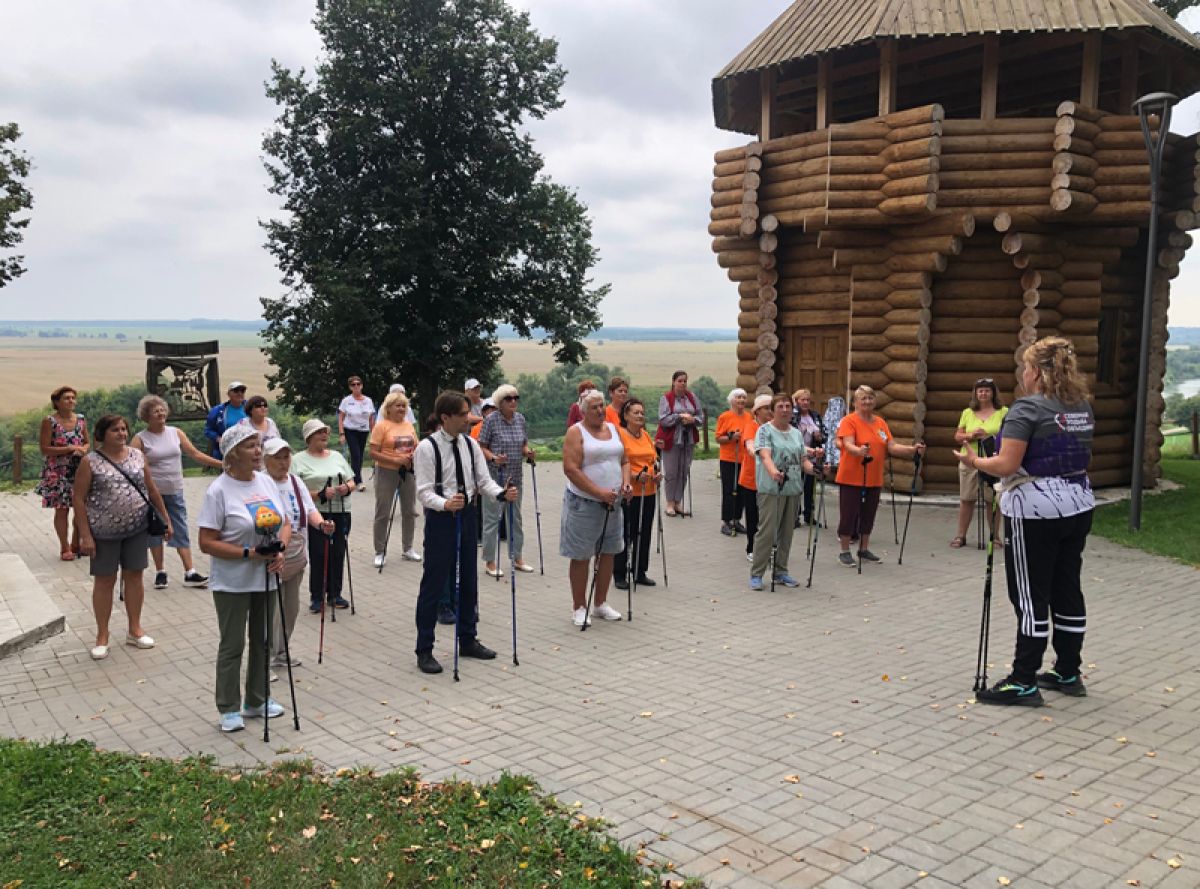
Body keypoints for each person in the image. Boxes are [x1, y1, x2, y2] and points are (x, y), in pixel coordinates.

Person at [957, 337, 1096, 706]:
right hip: (1079, 502)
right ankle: (1068, 670)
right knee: (1067, 587)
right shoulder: (1080, 406)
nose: (1023, 373)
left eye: (1025, 366)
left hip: (1035, 509)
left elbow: (1004, 465)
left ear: (1035, 371)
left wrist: (974, 462)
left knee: (1030, 592)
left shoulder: (1026, 409)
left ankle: (1023, 680)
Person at [412, 391, 517, 674]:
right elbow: (422, 491)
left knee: (469, 577)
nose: (468, 420)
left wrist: (501, 494)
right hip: (442, 518)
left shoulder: (471, 445)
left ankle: (468, 638)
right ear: (445, 417)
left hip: (468, 514)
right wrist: (445, 503)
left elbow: (483, 481)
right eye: (461, 415)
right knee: (434, 581)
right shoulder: (426, 448)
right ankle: (424, 648)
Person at [197, 425, 290, 733]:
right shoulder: (219, 490)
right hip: (232, 581)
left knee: (262, 641)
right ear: (232, 454)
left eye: (258, 445)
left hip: (266, 577)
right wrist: (249, 553)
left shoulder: (265, 481)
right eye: (251, 446)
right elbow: (206, 542)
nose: (258, 451)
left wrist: (280, 551)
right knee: (233, 644)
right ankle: (228, 707)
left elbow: (285, 521)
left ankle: (257, 699)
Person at [73, 414, 171, 660]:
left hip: (137, 528)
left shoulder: (137, 456)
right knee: (105, 581)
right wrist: (85, 535)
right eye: (115, 430)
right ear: (103, 434)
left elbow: (151, 488)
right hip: (103, 532)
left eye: (124, 429)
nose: (121, 434)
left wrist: (165, 519)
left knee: (135, 577)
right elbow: (78, 499)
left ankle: (134, 629)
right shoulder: (90, 461)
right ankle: (102, 636)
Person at [130, 394, 222, 590]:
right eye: (156, 411)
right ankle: (160, 572)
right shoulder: (140, 439)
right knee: (156, 531)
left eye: (162, 409)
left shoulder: (175, 433)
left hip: (175, 489)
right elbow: (132, 464)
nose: (161, 413)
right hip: (152, 493)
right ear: (146, 416)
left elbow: (195, 454)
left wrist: (222, 464)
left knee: (180, 527)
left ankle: (190, 572)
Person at [261, 437, 333, 672]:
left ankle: (281, 652)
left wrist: (322, 525)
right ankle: (262, 661)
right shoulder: (260, 482)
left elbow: (310, 509)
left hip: (297, 554)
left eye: (286, 457)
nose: (283, 463)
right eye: (277, 458)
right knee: (270, 610)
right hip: (271, 557)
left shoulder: (295, 481)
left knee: (290, 608)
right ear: (265, 460)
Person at [562, 389, 631, 626]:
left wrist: (626, 483)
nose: (601, 411)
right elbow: (571, 469)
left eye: (602, 405)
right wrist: (599, 493)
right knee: (582, 555)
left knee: (609, 551)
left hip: (614, 503)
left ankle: (600, 603)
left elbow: (624, 460)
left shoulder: (614, 429)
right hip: (585, 502)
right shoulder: (576, 432)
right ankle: (579, 606)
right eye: (594, 407)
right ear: (583, 410)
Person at [835, 385, 925, 568]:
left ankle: (864, 549)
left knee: (869, 513)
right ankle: (844, 551)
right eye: (863, 399)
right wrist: (859, 451)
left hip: (874, 477)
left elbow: (890, 446)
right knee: (849, 514)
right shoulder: (849, 421)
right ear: (855, 402)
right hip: (851, 476)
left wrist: (911, 450)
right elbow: (848, 444)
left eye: (870, 398)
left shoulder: (880, 423)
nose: (867, 402)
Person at [749, 394, 817, 591]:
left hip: (793, 488)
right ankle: (757, 573)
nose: (785, 409)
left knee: (786, 532)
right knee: (767, 532)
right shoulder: (764, 431)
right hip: (771, 488)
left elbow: (803, 460)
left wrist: (815, 469)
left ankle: (781, 570)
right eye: (780, 406)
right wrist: (774, 472)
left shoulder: (796, 433)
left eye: (788, 406)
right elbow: (764, 455)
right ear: (773, 409)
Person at [291, 419, 356, 613]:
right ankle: (317, 596)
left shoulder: (336, 456)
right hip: (317, 512)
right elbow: (295, 490)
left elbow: (352, 480)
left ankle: (335, 594)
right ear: (309, 437)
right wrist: (319, 494)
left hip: (341, 510)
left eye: (325, 432)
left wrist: (346, 487)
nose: (324, 435)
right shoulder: (297, 460)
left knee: (338, 553)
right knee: (319, 553)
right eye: (320, 432)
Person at [479, 384, 537, 577]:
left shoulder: (520, 419)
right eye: (508, 398)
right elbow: (482, 447)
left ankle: (517, 557)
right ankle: (490, 561)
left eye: (515, 398)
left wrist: (528, 452)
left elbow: (523, 444)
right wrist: (494, 457)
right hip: (495, 478)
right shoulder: (491, 420)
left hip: (515, 476)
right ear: (499, 402)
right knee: (492, 519)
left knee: (516, 518)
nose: (513, 401)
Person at [951, 378, 1008, 548]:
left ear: (993, 393)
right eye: (980, 390)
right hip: (969, 460)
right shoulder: (968, 412)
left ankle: (995, 536)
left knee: (992, 500)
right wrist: (970, 435)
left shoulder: (1004, 412)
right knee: (967, 498)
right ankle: (960, 536)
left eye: (987, 390)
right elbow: (957, 436)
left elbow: (1009, 435)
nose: (983, 393)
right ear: (976, 393)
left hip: (992, 460)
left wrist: (989, 436)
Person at [35, 385, 88, 560]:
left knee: (81, 508)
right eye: (66, 398)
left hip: (79, 469)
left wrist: (82, 449)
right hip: (57, 472)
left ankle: (76, 543)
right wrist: (68, 448)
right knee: (62, 509)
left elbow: (87, 443)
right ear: (57, 402)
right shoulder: (49, 421)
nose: (71, 401)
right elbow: (44, 449)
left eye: (73, 398)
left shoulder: (81, 419)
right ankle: (64, 547)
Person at [369, 390, 421, 568]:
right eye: (397, 405)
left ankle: (408, 548)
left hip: (408, 471)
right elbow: (373, 452)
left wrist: (413, 455)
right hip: (386, 471)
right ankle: (379, 551)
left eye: (404, 406)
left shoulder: (408, 425)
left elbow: (417, 444)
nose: (401, 408)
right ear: (388, 408)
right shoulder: (381, 426)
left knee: (410, 511)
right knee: (383, 512)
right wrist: (395, 460)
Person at [614, 398, 660, 590]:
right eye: (636, 412)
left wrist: (656, 474)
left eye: (642, 412)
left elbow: (653, 459)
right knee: (627, 532)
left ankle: (640, 571)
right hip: (630, 491)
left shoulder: (646, 436)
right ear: (626, 415)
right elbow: (616, 463)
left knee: (645, 531)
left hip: (649, 490)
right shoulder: (620, 435)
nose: (640, 415)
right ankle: (619, 573)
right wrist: (634, 475)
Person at [657, 371, 704, 517]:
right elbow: (663, 419)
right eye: (679, 381)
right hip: (671, 440)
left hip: (687, 439)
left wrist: (692, 420)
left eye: (685, 381)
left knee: (684, 471)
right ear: (673, 382)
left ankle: (678, 502)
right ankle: (669, 503)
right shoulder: (666, 398)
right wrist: (679, 417)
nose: (683, 383)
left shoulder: (692, 397)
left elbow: (701, 417)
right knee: (671, 472)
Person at [738, 395, 772, 564]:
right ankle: (751, 548)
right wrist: (757, 451)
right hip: (751, 479)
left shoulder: (773, 427)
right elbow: (749, 444)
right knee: (753, 516)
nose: (770, 411)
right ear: (757, 411)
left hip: (769, 478)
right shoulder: (751, 426)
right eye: (766, 408)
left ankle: (767, 547)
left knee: (768, 516)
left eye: (771, 408)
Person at [716, 388, 749, 536]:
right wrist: (731, 437)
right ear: (732, 400)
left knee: (741, 491)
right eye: (738, 397)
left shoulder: (749, 417)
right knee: (729, 490)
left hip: (744, 458)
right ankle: (726, 521)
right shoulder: (725, 417)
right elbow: (718, 438)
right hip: (729, 458)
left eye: (743, 397)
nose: (741, 400)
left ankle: (737, 519)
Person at [791, 389, 826, 527]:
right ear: (796, 401)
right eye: (802, 399)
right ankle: (794, 516)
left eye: (807, 400)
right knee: (796, 485)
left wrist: (819, 436)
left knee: (810, 487)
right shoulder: (793, 416)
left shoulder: (815, 415)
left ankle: (809, 515)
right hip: (796, 455)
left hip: (812, 456)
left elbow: (824, 435)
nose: (805, 402)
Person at [337, 376, 375, 487]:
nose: (356, 386)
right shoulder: (347, 401)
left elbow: (371, 418)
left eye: (358, 384)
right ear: (350, 387)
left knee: (360, 455)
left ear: (362, 385)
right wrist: (341, 433)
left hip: (364, 431)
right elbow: (341, 417)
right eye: (353, 384)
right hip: (350, 430)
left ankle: (353, 476)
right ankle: (358, 481)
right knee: (356, 455)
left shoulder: (368, 401)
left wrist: (374, 433)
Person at [204, 381, 248, 459]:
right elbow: (208, 430)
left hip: (248, 448)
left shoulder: (251, 407)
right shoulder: (218, 411)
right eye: (236, 391)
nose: (239, 393)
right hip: (228, 450)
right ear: (229, 394)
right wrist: (219, 439)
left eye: (242, 391)